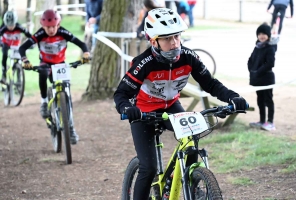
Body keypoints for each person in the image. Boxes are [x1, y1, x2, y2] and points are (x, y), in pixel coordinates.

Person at [114, 8, 248, 199]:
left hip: (171, 106)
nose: (174, 43)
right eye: (167, 39)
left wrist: (232, 98)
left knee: (191, 141)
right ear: (154, 41)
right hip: (143, 111)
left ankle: (190, 185)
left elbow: (210, 83)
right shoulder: (143, 63)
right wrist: (127, 108)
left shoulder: (188, 56)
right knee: (148, 167)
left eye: (177, 36)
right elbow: (121, 94)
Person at [19, 9, 90, 144]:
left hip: (60, 65)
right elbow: (22, 48)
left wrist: (86, 53)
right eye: (47, 27)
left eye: (53, 26)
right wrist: (25, 60)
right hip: (45, 63)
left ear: (58, 24)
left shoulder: (63, 32)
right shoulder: (39, 34)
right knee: (43, 72)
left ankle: (71, 128)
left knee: (67, 95)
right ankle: (44, 102)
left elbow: (82, 44)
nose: (51, 30)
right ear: (42, 26)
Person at [248, 23, 277, 131]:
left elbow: (270, 63)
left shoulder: (270, 48)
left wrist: (258, 71)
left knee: (268, 100)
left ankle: (270, 122)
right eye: (259, 33)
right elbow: (250, 60)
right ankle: (262, 121)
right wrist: (252, 70)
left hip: (267, 78)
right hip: (257, 79)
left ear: (268, 35)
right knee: (260, 100)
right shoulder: (257, 46)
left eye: (264, 33)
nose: (262, 36)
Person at [0, 11, 32, 83]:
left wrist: (32, 43)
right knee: (4, 54)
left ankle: (18, 79)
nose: (10, 27)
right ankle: (4, 74)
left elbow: (30, 36)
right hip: (6, 44)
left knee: (18, 60)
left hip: (16, 45)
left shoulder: (20, 27)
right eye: (8, 25)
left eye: (12, 25)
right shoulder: (3, 28)